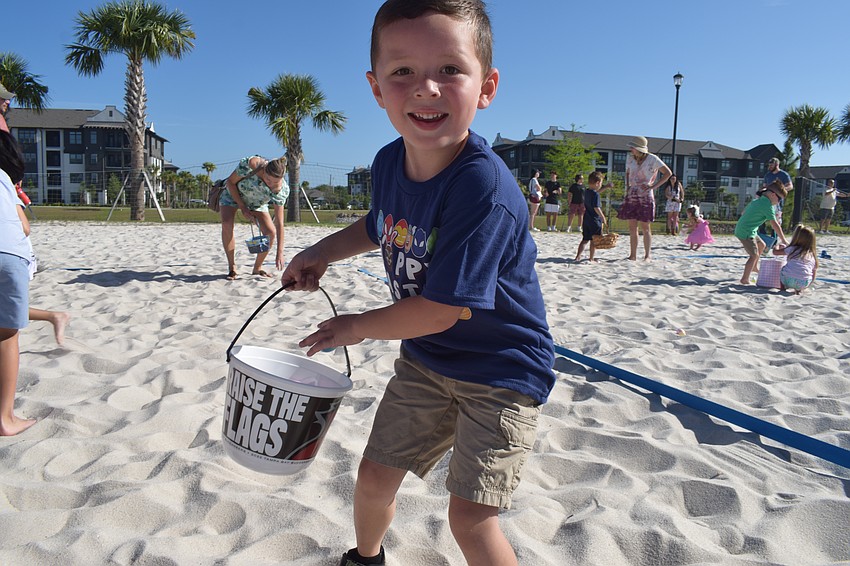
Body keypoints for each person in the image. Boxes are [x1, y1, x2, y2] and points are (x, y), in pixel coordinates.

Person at [281, 2, 555, 564]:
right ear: (377, 88)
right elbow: (380, 224)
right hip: (429, 361)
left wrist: (356, 327)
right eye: (402, 71)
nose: (425, 88)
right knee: (374, 475)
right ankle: (366, 557)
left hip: (501, 371)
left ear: (487, 87)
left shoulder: (485, 190)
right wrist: (321, 252)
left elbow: (440, 309)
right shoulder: (387, 163)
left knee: (470, 518)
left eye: (450, 70)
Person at [0, 129, 36, 436]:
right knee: (7, 336)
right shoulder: (6, 183)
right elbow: (24, 227)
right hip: (10, 255)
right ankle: (5, 418)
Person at [219, 156, 288, 280]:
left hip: (257, 204)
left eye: (275, 182)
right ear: (265, 169)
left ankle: (257, 268)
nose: (270, 184)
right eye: (268, 179)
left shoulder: (281, 190)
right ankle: (232, 267)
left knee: (270, 232)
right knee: (227, 224)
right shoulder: (252, 164)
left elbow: (280, 222)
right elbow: (230, 182)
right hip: (232, 195)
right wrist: (242, 206)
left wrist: (279, 253)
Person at [618, 135, 672, 261]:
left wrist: (653, 186)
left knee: (645, 226)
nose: (631, 149)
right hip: (632, 193)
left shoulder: (653, 159)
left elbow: (668, 173)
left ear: (639, 148)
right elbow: (627, 173)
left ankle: (647, 255)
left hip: (646, 194)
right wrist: (627, 188)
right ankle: (633, 255)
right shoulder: (630, 158)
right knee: (632, 226)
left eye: (633, 147)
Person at [734, 180, 788, 286]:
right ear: (773, 195)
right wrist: (784, 240)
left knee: (762, 245)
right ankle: (744, 279)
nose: (779, 202)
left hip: (749, 229)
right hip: (745, 232)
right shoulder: (767, 205)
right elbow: (775, 225)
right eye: (779, 199)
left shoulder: (759, 200)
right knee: (753, 255)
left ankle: (754, 267)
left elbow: (743, 212)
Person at [574, 171, 610, 262]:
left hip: (586, 219)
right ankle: (591, 258)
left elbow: (595, 193)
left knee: (585, 239)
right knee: (594, 240)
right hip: (594, 220)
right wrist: (602, 217)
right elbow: (596, 207)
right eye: (601, 183)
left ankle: (578, 256)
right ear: (597, 183)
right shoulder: (596, 194)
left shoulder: (587, 192)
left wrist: (605, 187)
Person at [773, 224, 818, 294]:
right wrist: (808, 284)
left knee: (783, 268)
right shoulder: (812, 254)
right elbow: (814, 271)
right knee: (808, 271)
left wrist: (777, 246)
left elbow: (775, 252)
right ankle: (799, 290)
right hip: (804, 282)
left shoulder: (792, 249)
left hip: (787, 279)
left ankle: (782, 288)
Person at [763, 157, 793, 225]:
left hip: (777, 199)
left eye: (771, 165)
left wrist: (780, 190)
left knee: (776, 217)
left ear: (776, 165)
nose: (770, 167)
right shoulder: (767, 175)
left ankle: (775, 234)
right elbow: (764, 186)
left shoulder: (784, 175)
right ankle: (762, 233)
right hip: (767, 198)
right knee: (764, 214)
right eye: (769, 165)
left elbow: (790, 186)